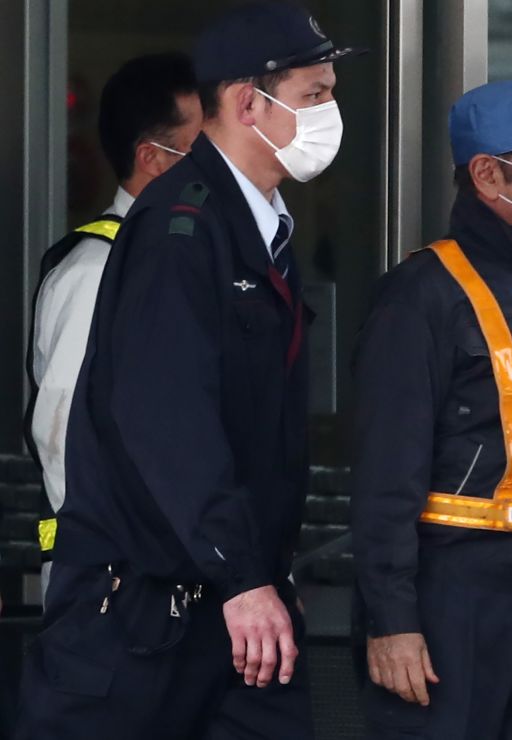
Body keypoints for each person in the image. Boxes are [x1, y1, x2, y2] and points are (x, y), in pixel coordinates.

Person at [14, 3, 364, 738]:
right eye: (315, 93)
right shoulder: (182, 229)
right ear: (247, 103)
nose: (331, 112)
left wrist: (266, 574)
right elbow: (165, 419)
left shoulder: (256, 228)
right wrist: (242, 574)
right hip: (147, 618)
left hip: (235, 610)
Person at [351, 80, 512, 740]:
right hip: (446, 604)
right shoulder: (422, 294)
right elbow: (387, 472)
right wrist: (392, 619)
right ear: (489, 174)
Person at [25, 52, 201, 599]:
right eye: (205, 150)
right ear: (153, 157)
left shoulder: (184, 260)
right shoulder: (97, 271)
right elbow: (61, 437)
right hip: (115, 596)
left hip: (182, 589)